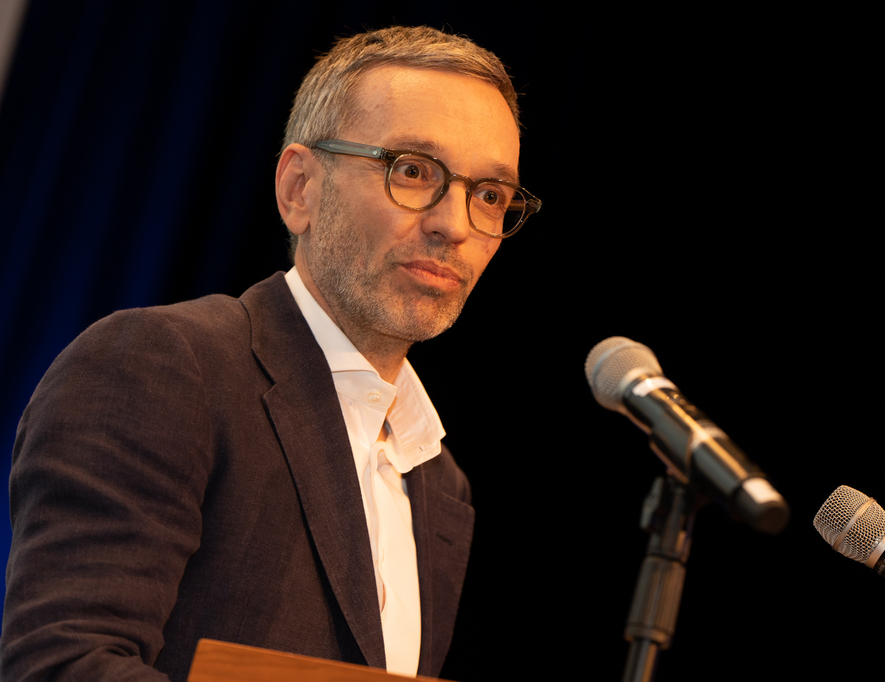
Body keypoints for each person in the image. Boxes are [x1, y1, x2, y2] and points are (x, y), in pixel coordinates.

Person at [1, 26, 540, 682]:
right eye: (412, 170)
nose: (454, 225)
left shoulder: (440, 483)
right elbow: (61, 664)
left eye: (489, 195)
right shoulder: (162, 365)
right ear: (299, 189)